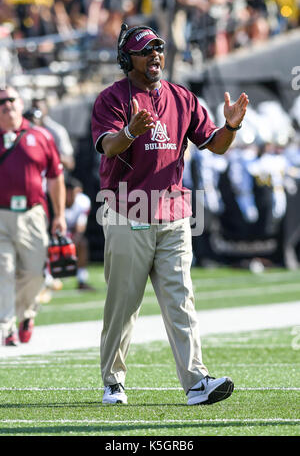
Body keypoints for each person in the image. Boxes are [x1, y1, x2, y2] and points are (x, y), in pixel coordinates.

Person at [91, 23, 249, 405]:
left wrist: (231, 125)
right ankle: (113, 381)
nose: (156, 55)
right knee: (123, 305)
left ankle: (197, 382)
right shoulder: (112, 98)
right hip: (128, 210)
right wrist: (129, 131)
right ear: (128, 59)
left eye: (159, 49)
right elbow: (109, 147)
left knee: (181, 300)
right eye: (146, 50)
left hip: (174, 213)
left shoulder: (182, 97)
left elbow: (216, 145)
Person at [0, 85, 66, 346]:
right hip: (0, 214)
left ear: (20, 103)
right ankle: (6, 328)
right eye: (1, 101)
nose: (7, 105)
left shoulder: (40, 135)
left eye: (11, 99)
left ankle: (26, 314)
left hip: (32, 213)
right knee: (3, 270)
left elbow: (55, 177)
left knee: (35, 273)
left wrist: (59, 215)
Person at [64, 175, 95, 290]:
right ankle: (47, 279)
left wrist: (70, 244)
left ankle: (81, 280)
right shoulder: (55, 198)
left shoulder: (83, 201)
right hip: (54, 233)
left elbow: (80, 227)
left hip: (70, 234)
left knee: (82, 243)